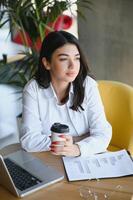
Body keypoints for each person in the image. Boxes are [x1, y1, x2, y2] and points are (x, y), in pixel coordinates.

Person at [20, 31, 112, 157]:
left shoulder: (88, 86)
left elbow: (103, 134)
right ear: (47, 63)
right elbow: (29, 140)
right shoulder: (33, 90)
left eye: (77, 58)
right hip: (49, 159)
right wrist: (73, 142)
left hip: (86, 157)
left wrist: (77, 148)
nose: (73, 66)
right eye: (64, 59)